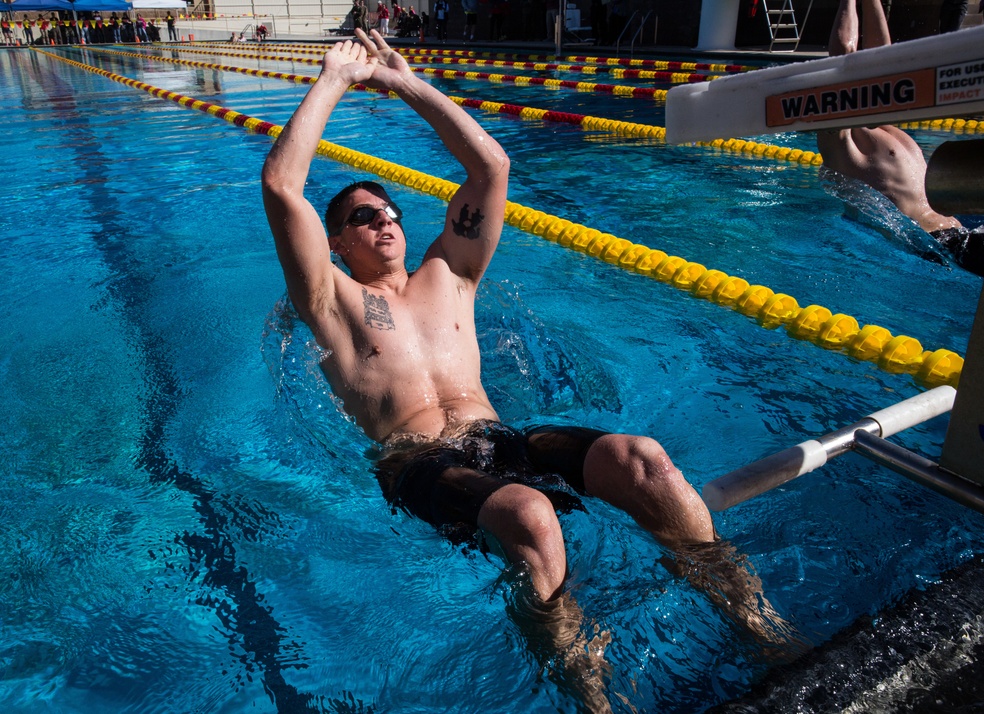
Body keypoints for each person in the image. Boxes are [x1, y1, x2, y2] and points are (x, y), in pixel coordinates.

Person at [262, 32, 796, 706]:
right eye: (365, 217)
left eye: (392, 211)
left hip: (501, 438)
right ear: (337, 241)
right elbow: (283, 185)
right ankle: (594, 699)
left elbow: (491, 167)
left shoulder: (450, 273)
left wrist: (409, 84)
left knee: (646, 461)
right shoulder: (330, 303)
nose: (386, 222)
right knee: (531, 515)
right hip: (416, 461)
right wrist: (335, 78)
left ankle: (757, 627)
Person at [816, 0, 984, 275]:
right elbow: (840, 60)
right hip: (941, 246)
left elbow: (884, 61)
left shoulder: (883, 126)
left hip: (964, 234)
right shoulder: (841, 144)